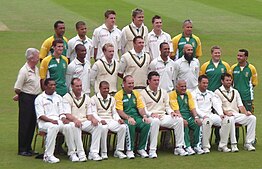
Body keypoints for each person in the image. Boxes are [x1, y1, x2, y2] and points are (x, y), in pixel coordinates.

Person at [140, 71, 187, 158]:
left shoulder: (163, 92)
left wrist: (172, 113)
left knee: (179, 120)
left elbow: (167, 106)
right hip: (151, 117)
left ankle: (179, 147)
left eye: (158, 80)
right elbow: (143, 109)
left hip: (162, 116)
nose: (157, 82)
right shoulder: (143, 93)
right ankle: (152, 150)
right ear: (149, 81)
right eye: (154, 80)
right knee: (155, 121)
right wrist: (151, 113)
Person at [34, 78, 78, 163]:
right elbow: (40, 115)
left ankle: (72, 153)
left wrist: (63, 118)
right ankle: (48, 155)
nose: (53, 87)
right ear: (45, 86)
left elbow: (61, 112)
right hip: (44, 123)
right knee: (53, 127)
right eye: (51, 85)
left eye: (54, 85)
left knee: (69, 126)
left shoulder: (58, 97)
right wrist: (50, 120)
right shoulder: (39, 98)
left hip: (58, 121)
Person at [63, 78, 103, 161]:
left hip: (84, 122)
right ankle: (81, 153)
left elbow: (89, 115)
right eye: (77, 86)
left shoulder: (87, 98)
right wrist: (75, 120)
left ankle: (93, 153)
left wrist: (93, 119)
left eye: (80, 86)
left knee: (98, 126)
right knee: (76, 126)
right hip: (73, 122)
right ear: (72, 86)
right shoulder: (67, 97)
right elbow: (67, 114)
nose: (79, 88)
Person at [191, 75, 234, 153]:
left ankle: (223, 145)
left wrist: (221, 114)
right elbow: (195, 108)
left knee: (227, 120)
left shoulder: (210, 93)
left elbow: (216, 104)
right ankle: (205, 146)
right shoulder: (193, 94)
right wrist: (203, 116)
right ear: (198, 83)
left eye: (207, 83)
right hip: (201, 116)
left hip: (211, 115)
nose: (205, 85)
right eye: (203, 83)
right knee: (207, 122)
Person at [215, 73, 256, 151]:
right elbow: (218, 107)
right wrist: (225, 113)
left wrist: (246, 113)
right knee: (230, 119)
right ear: (222, 81)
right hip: (224, 116)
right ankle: (234, 144)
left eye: (230, 80)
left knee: (252, 118)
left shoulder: (235, 91)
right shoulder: (217, 92)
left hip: (236, 114)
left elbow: (240, 105)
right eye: (227, 80)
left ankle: (248, 143)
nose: (229, 82)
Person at [13, 48, 42, 156]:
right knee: (25, 123)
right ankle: (22, 148)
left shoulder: (36, 69)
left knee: (32, 123)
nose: (38, 58)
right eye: (37, 56)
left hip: (35, 98)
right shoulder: (24, 71)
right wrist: (20, 95)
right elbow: (17, 87)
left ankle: (28, 147)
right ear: (31, 58)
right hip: (26, 98)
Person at [114, 75, 151, 159]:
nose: (131, 85)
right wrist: (128, 118)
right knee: (131, 124)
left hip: (137, 117)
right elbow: (119, 111)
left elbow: (140, 108)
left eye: (132, 83)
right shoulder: (119, 95)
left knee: (146, 124)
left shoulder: (136, 94)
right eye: (129, 83)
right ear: (124, 83)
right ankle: (129, 150)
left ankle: (141, 148)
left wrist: (144, 116)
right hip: (125, 118)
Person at [91, 81, 127, 159]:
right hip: (101, 120)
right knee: (103, 128)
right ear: (99, 88)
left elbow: (114, 113)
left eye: (108, 88)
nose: (106, 90)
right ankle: (104, 152)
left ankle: (119, 150)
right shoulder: (94, 99)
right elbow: (94, 113)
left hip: (110, 120)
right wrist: (100, 120)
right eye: (104, 88)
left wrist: (118, 119)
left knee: (123, 127)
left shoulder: (112, 99)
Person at [169, 80, 204, 155]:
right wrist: (182, 119)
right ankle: (187, 146)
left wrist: (196, 117)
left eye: (185, 86)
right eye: (182, 86)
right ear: (176, 87)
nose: (184, 88)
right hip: (178, 116)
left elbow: (192, 107)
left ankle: (196, 145)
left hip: (188, 116)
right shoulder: (172, 94)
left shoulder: (188, 93)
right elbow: (176, 109)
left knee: (197, 124)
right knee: (184, 124)